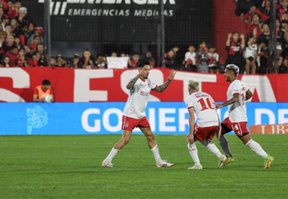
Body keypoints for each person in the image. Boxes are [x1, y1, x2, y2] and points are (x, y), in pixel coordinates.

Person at [102, 64, 176, 168]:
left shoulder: (149, 82)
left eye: (148, 70)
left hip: (141, 116)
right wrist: (138, 75)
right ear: (140, 70)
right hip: (130, 114)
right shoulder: (135, 80)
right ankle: (107, 160)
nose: (147, 72)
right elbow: (128, 86)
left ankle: (159, 161)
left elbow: (160, 89)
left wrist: (169, 80)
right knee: (125, 139)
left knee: (150, 136)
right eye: (145, 70)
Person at [215, 64, 274, 169]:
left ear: (231, 73)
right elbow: (250, 94)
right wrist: (242, 101)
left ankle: (267, 157)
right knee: (218, 132)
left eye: (226, 72)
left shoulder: (234, 85)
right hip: (232, 118)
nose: (224, 74)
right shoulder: (241, 83)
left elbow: (236, 98)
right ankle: (228, 157)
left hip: (238, 119)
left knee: (247, 141)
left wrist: (222, 105)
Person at [185, 80, 227, 170]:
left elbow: (192, 116)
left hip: (204, 123)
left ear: (189, 88)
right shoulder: (208, 95)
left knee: (190, 140)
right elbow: (215, 110)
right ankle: (221, 157)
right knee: (204, 139)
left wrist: (191, 133)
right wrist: (218, 127)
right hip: (215, 122)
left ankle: (197, 165)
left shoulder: (190, 98)